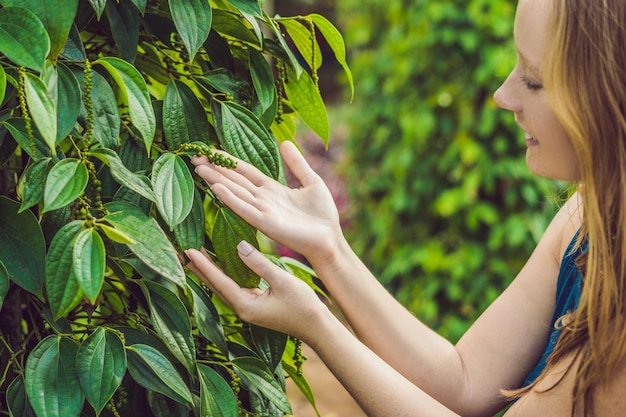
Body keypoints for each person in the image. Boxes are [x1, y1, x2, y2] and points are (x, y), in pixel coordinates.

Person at [185, 0, 626, 415]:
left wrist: (317, 324)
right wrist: (330, 249)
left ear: (610, 97)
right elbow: (465, 380)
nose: (503, 95)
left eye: (532, 78)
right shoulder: (590, 216)